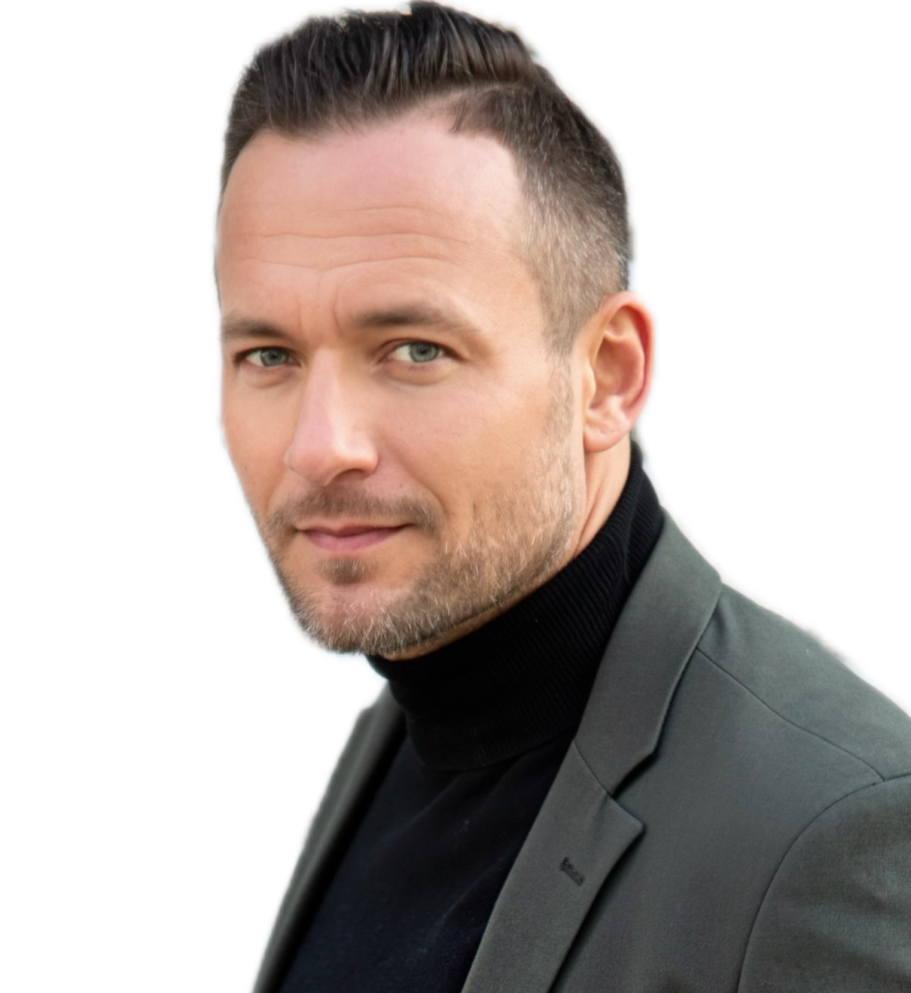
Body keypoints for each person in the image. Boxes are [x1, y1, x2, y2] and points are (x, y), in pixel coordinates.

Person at [215, 4, 911, 991]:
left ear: (605, 376)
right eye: (269, 355)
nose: (320, 446)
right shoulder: (408, 719)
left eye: (415, 350)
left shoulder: (833, 833)